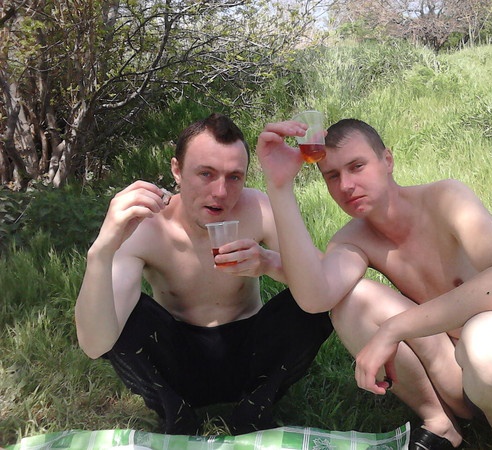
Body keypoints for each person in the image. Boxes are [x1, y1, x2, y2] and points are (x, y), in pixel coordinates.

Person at [255, 118, 492, 450]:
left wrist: (394, 329)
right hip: (462, 379)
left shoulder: (445, 199)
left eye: (357, 166)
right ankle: (441, 421)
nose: (346, 185)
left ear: (387, 160)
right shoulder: (353, 239)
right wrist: (279, 187)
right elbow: (316, 297)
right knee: (352, 300)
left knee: (485, 331)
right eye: (332, 176)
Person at [74, 113, 333, 436]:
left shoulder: (257, 208)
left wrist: (269, 262)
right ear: (177, 170)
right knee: (120, 314)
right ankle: (176, 414)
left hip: (250, 356)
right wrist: (101, 252)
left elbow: (327, 282)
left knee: (309, 306)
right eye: (206, 174)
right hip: (176, 362)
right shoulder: (147, 226)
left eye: (234, 177)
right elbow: (95, 343)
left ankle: (255, 409)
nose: (220, 192)